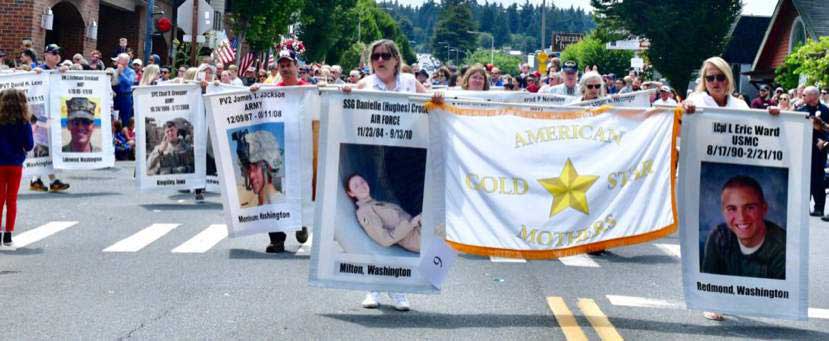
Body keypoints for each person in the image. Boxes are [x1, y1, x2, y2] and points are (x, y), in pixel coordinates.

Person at [682, 57, 779, 321]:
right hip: (703, 177)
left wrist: (772, 118)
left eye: (720, 77)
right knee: (708, 237)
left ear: (729, 79)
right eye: (710, 78)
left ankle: (731, 296)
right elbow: (679, 132)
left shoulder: (740, 104)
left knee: (737, 238)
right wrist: (684, 113)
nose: (715, 82)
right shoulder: (695, 103)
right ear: (703, 81)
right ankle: (710, 298)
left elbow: (757, 134)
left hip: (733, 175)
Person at [343, 39, 429, 312]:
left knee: (400, 212)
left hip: (406, 158)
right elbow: (343, 100)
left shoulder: (409, 83)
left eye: (384, 56)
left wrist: (435, 97)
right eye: (375, 57)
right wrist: (344, 90)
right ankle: (373, 288)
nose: (379, 60)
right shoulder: (365, 84)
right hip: (375, 152)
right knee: (377, 222)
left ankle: (400, 291)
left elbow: (429, 100)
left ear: (395, 60)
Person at [250, 44, 311, 253]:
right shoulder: (271, 92)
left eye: (289, 64)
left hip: (302, 150)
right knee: (274, 192)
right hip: (278, 151)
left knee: (301, 190)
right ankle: (277, 238)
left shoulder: (308, 90)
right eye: (282, 65)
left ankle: (301, 222)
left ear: (297, 66)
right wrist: (256, 92)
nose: (285, 68)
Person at [701, 176, 785, 280]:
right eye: (732, 209)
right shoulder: (719, 237)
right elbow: (708, 285)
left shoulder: (783, 250)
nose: (741, 217)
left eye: (750, 208)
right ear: (723, 212)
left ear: (764, 208)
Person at [344, 173, 422, 253]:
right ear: (351, 193)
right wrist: (411, 224)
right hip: (416, 238)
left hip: (420, 228)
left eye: (362, 182)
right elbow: (385, 240)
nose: (361, 186)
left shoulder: (376, 203)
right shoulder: (364, 211)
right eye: (356, 186)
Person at [29, 44, 70, 193]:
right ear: (46, 55)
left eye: (59, 53)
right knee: (43, 147)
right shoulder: (40, 69)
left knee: (50, 148)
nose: (57, 56)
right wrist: (34, 73)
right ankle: (40, 179)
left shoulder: (59, 70)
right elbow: (30, 87)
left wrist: (66, 73)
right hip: (41, 115)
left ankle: (44, 180)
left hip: (55, 114)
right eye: (54, 53)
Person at [0, 88, 35, 248]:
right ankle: (8, 234)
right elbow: (29, 146)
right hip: (15, 164)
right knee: (11, 199)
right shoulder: (24, 123)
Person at [796, 86, 829, 219]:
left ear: (813, 96)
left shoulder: (825, 110)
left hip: (818, 151)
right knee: (803, 179)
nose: (802, 97)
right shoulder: (800, 111)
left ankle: (819, 207)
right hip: (803, 149)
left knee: (818, 179)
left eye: (805, 95)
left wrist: (825, 141)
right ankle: (803, 207)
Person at [234, 129, 284, 207]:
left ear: (269, 166)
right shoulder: (261, 206)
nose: (251, 175)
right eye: (248, 168)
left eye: (256, 167)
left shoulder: (281, 205)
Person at [112, 53, 136, 124]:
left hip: (126, 96)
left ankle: (124, 132)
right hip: (116, 96)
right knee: (115, 116)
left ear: (124, 62)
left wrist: (122, 73)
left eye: (118, 60)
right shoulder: (114, 70)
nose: (116, 62)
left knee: (125, 117)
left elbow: (130, 83)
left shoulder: (131, 72)